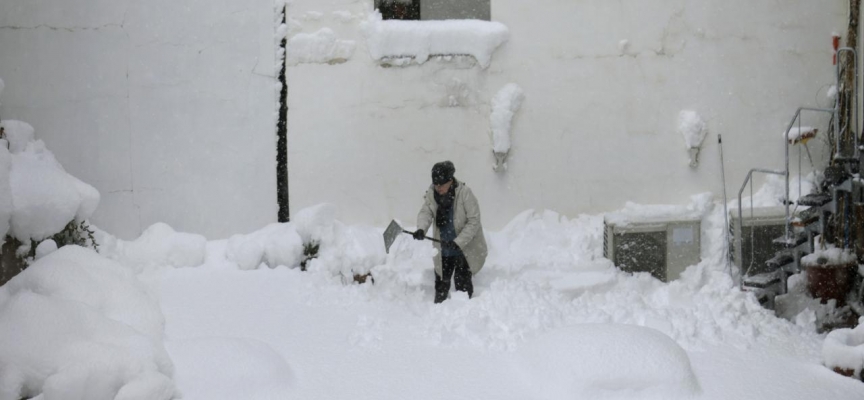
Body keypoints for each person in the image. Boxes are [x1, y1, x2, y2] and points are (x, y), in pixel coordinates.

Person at [413, 161, 488, 303]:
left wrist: (458, 242)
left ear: (450, 180)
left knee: (463, 287)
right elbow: (426, 212)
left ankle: (463, 316)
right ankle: (439, 314)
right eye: (436, 184)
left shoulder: (464, 194)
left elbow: (474, 221)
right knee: (441, 285)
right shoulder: (432, 194)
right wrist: (421, 228)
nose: (438, 188)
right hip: (444, 248)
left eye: (441, 184)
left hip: (464, 249)